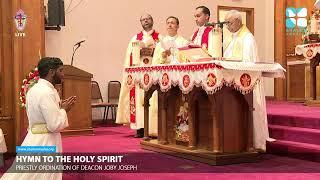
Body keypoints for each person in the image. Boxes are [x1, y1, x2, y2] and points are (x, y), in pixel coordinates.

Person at [1, 57, 76, 180]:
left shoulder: (34, 89)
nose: (63, 74)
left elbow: (40, 116)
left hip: (34, 138)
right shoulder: (47, 92)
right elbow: (54, 125)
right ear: (51, 72)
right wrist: (63, 110)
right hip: (46, 142)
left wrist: (58, 107)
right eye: (61, 70)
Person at [223, 10, 274, 152]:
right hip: (232, 83)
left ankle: (254, 141)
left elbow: (249, 63)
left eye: (229, 23)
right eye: (226, 23)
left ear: (238, 22)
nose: (227, 26)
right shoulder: (231, 38)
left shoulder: (247, 39)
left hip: (246, 82)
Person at [116, 14, 162, 138]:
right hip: (138, 75)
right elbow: (129, 55)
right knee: (138, 101)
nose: (145, 21)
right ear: (140, 22)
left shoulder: (159, 37)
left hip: (153, 75)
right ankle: (140, 129)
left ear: (152, 21)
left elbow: (164, 54)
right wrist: (138, 51)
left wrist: (154, 50)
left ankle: (153, 129)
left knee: (153, 101)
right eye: (143, 19)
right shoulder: (135, 38)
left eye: (148, 19)